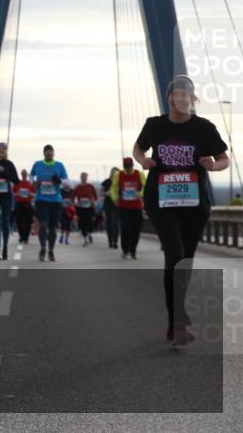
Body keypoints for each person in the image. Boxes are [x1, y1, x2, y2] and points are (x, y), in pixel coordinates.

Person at [134, 75, 229, 346]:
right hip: (161, 201)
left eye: (187, 95)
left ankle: (176, 318)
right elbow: (138, 148)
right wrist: (144, 160)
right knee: (175, 255)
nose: (182, 99)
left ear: (193, 99)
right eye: (177, 94)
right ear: (169, 98)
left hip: (195, 203)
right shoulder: (154, 125)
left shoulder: (204, 128)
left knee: (185, 261)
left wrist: (214, 166)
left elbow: (224, 158)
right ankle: (176, 324)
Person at [31, 144, 68, 262]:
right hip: (41, 200)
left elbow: (68, 183)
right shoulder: (37, 164)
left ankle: (51, 251)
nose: (49, 154)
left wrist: (60, 181)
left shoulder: (60, 165)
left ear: (53, 153)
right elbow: (31, 177)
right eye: (47, 152)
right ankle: (43, 248)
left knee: (53, 228)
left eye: (51, 152)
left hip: (55, 201)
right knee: (42, 224)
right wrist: (34, 183)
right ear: (44, 153)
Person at [112, 157, 147, 259]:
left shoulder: (139, 174)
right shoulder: (119, 175)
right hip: (123, 206)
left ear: (132, 165)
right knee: (125, 229)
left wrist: (140, 194)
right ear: (123, 166)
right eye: (126, 167)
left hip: (136, 206)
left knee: (135, 230)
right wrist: (115, 198)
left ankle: (133, 250)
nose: (128, 169)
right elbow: (114, 188)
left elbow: (146, 186)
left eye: (129, 166)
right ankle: (125, 250)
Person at [73, 172, 98, 247]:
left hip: (90, 207)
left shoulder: (90, 186)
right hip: (81, 207)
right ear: (80, 178)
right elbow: (73, 197)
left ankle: (89, 234)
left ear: (87, 178)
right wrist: (75, 202)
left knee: (89, 221)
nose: (83, 178)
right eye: (82, 177)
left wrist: (93, 202)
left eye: (85, 177)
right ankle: (85, 239)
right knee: (82, 222)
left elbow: (95, 197)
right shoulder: (77, 187)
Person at [13, 169, 36, 244]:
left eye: (25, 174)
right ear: (21, 174)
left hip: (27, 204)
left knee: (28, 222)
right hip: (19, 204)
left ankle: (26, 237)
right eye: (23, 173)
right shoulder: (17, 184)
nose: (24, 175)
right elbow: (12, 193)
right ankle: (21, 236)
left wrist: (30, 194)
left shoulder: (30, 184)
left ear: (27, 175)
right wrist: (17, 194)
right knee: (18, 222)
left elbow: (35, 195)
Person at [101, 167, 121, 249]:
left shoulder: (120, 181)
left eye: (116, 173)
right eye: (113, 172)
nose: (114, 174)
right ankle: (110, 240)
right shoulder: (106, 182)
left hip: (117, 204)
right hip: (108, 205)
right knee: (109, 223)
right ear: (111, 173)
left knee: (115, 223)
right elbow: (101, 191)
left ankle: (115, 241)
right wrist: (107, 193)